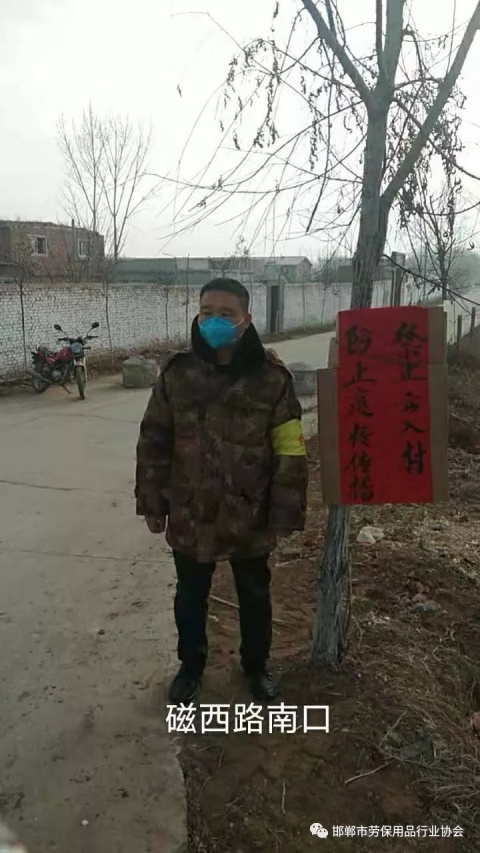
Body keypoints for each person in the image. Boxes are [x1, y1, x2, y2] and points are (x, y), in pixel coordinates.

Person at [135, 278, 308, 704]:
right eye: (207, 312)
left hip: (250, 511)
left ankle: (256, 668)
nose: (214, 321)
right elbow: (154, 438)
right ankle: (190, 667)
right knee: (190, 597)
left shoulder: (271, 379)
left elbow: (289, 449)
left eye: (226, 314)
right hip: (190, 510)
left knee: (255, 595)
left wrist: (285, 511)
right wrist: (153, 503)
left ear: (246, 319)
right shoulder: (178, 374)